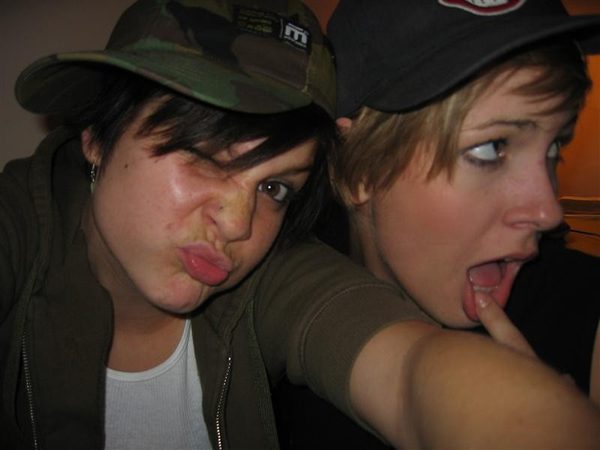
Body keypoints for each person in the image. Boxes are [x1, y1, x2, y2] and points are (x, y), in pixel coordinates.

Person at [2, 1, 600, 450]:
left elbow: (401, 369)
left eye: (275, 188)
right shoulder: (21, 230)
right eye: (205, 155)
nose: (239, 224)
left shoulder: (276, 276)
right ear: (96, 135)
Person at [274, 0, 600, 448]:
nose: (548, 211)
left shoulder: (581, 304)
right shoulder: (266, 296)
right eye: (490, 149)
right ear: (359, 169)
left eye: (553, 148)